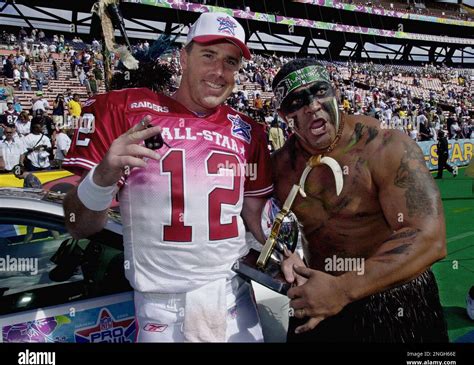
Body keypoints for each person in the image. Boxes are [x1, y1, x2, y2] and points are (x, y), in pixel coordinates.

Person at [63, 12, 272, 343]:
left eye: (230, 62)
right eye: (208, 55)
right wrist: (103, 175)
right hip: (162, 317)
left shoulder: (249, 133)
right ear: (183, 57)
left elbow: (255, 220)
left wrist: (281, 256)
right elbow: (78, 223)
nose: (219, 71)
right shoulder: (126, 112)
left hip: (236, 305)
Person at [271, 58, 448, 342]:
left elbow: (430, 238)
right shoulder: (280, 167)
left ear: (336, 92)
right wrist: (285, 258)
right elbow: (255, 224)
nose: (312, 105)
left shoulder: (384, 146)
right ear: (283, 116)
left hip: (391, 296)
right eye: (296, 102)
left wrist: (343, 289)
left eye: (319, 91)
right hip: (319, 296)